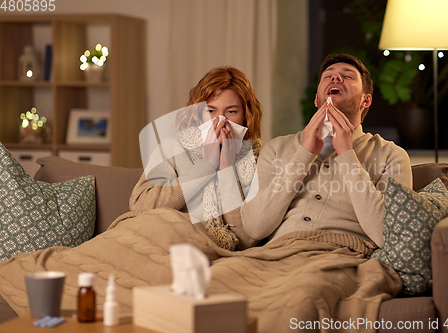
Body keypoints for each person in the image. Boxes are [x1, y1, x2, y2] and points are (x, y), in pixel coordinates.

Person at [240, 53, 412, 248]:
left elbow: (388, 237)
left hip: (342, 257)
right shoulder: (276, 149)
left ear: (366, 101)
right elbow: (254, 228)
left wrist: (347, 155)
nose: (335, 78)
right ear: (316, 99)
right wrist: (304, 153)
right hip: (274, 256)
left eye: (347, 76)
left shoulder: (391, 156)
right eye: (327, 76)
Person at [130, 66, 263, 251]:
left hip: (205, 251)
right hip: (160, 241)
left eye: (231, 112)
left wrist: (226, 166)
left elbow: (244, 239)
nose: (220, 121)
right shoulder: (172, 147)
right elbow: (140, 206)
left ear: (245, 117)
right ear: (198, 113)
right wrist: (207, 165)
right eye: (211, 111)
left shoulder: (256, 160)